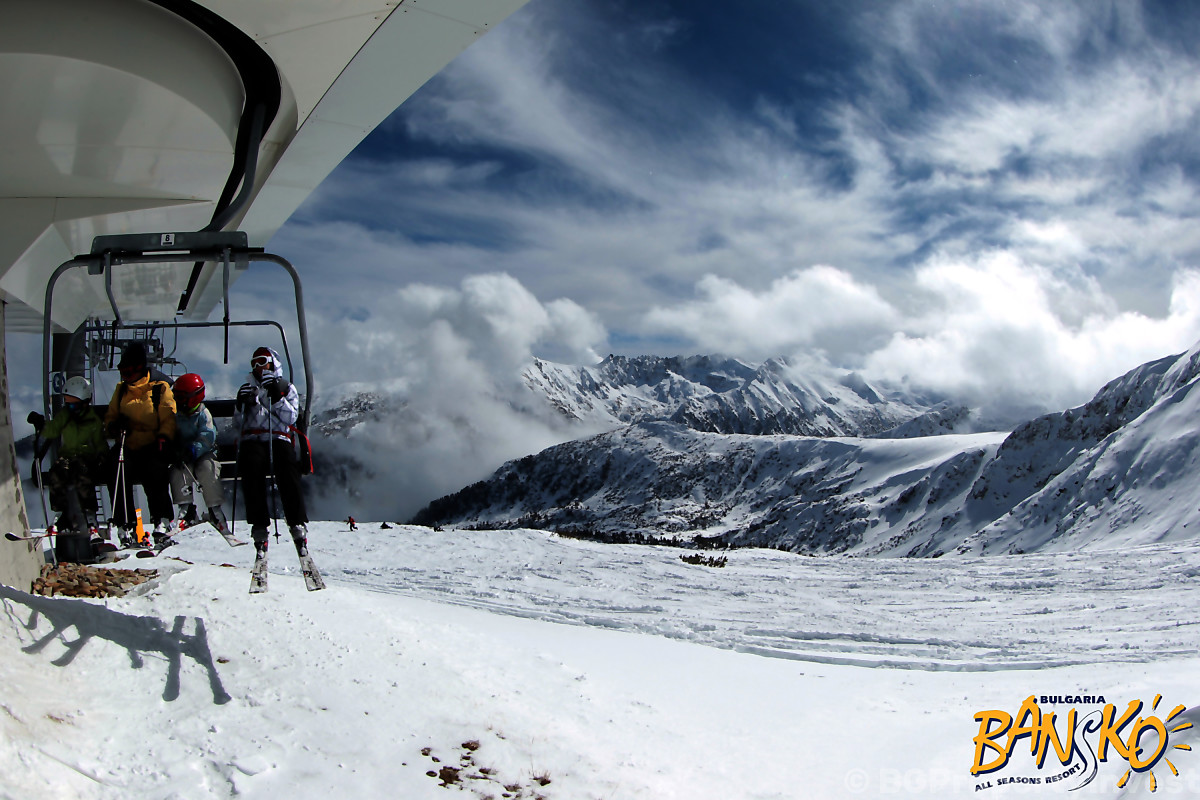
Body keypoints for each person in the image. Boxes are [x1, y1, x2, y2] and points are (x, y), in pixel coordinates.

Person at [234, 346, 309, 559]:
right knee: (252, 465)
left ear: (273, 363)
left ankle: (296, 522)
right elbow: (237, 424)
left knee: (286, 465)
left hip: (278, 437)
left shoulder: (286, 388)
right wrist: (241, 406)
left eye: (263, 361)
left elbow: (291, 418)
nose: (258, 367)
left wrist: (276, 397)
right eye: (254, 363)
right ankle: (259, 524)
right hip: (254, 439)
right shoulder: (249, 389)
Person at [104, 342, 177, 545]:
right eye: (123, 371)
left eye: (129, 371)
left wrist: (164, 437)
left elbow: (168, 416)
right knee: (117, 468)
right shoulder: (121, 391)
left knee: (155, 470)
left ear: (140, 368)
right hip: (128, 442)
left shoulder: (158, 388)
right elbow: (110, 416)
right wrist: (114, 426)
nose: (125, 376)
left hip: (152, 443)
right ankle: (124, 523)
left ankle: (161, 520)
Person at [30, 376, 107, 536]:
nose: (69, 406)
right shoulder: (65, 415)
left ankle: (89, 514)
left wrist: (102, 456)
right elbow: (53, 429)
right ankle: (61, 512)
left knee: (82, 473)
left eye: (73, 403)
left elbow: (100, 441)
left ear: (83, 401)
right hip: (68, 456)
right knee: (58, 471)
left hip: (87, 457)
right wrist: (41, 425)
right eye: (67, 402)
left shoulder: (92, 419)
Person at [169, 373, 235, 541]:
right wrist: (174, 448)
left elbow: (207, 436)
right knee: (179, 471)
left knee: (208, 470)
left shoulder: (203, 413)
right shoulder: (177, 416)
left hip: (203, 453)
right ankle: (186, 509)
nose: (178, 400)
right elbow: (172, 434)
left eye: (181, 396)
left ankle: (215, 509)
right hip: (183, 456)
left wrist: (193, 449)